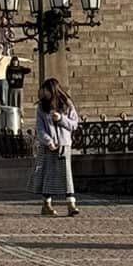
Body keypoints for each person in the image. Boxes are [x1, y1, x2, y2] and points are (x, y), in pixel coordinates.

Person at [34, 77, 80, 218]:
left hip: (64, 144)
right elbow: (40, 129)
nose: (43, 93)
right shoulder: (42, 107)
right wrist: (48, 141)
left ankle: (71, 204)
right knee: (49, 174)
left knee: (66, 175)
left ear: (52, 90)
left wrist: (60, 119)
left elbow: (74, 124)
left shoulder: (66, 105)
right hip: (49, 146)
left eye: (46, 90)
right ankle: (46, 204)